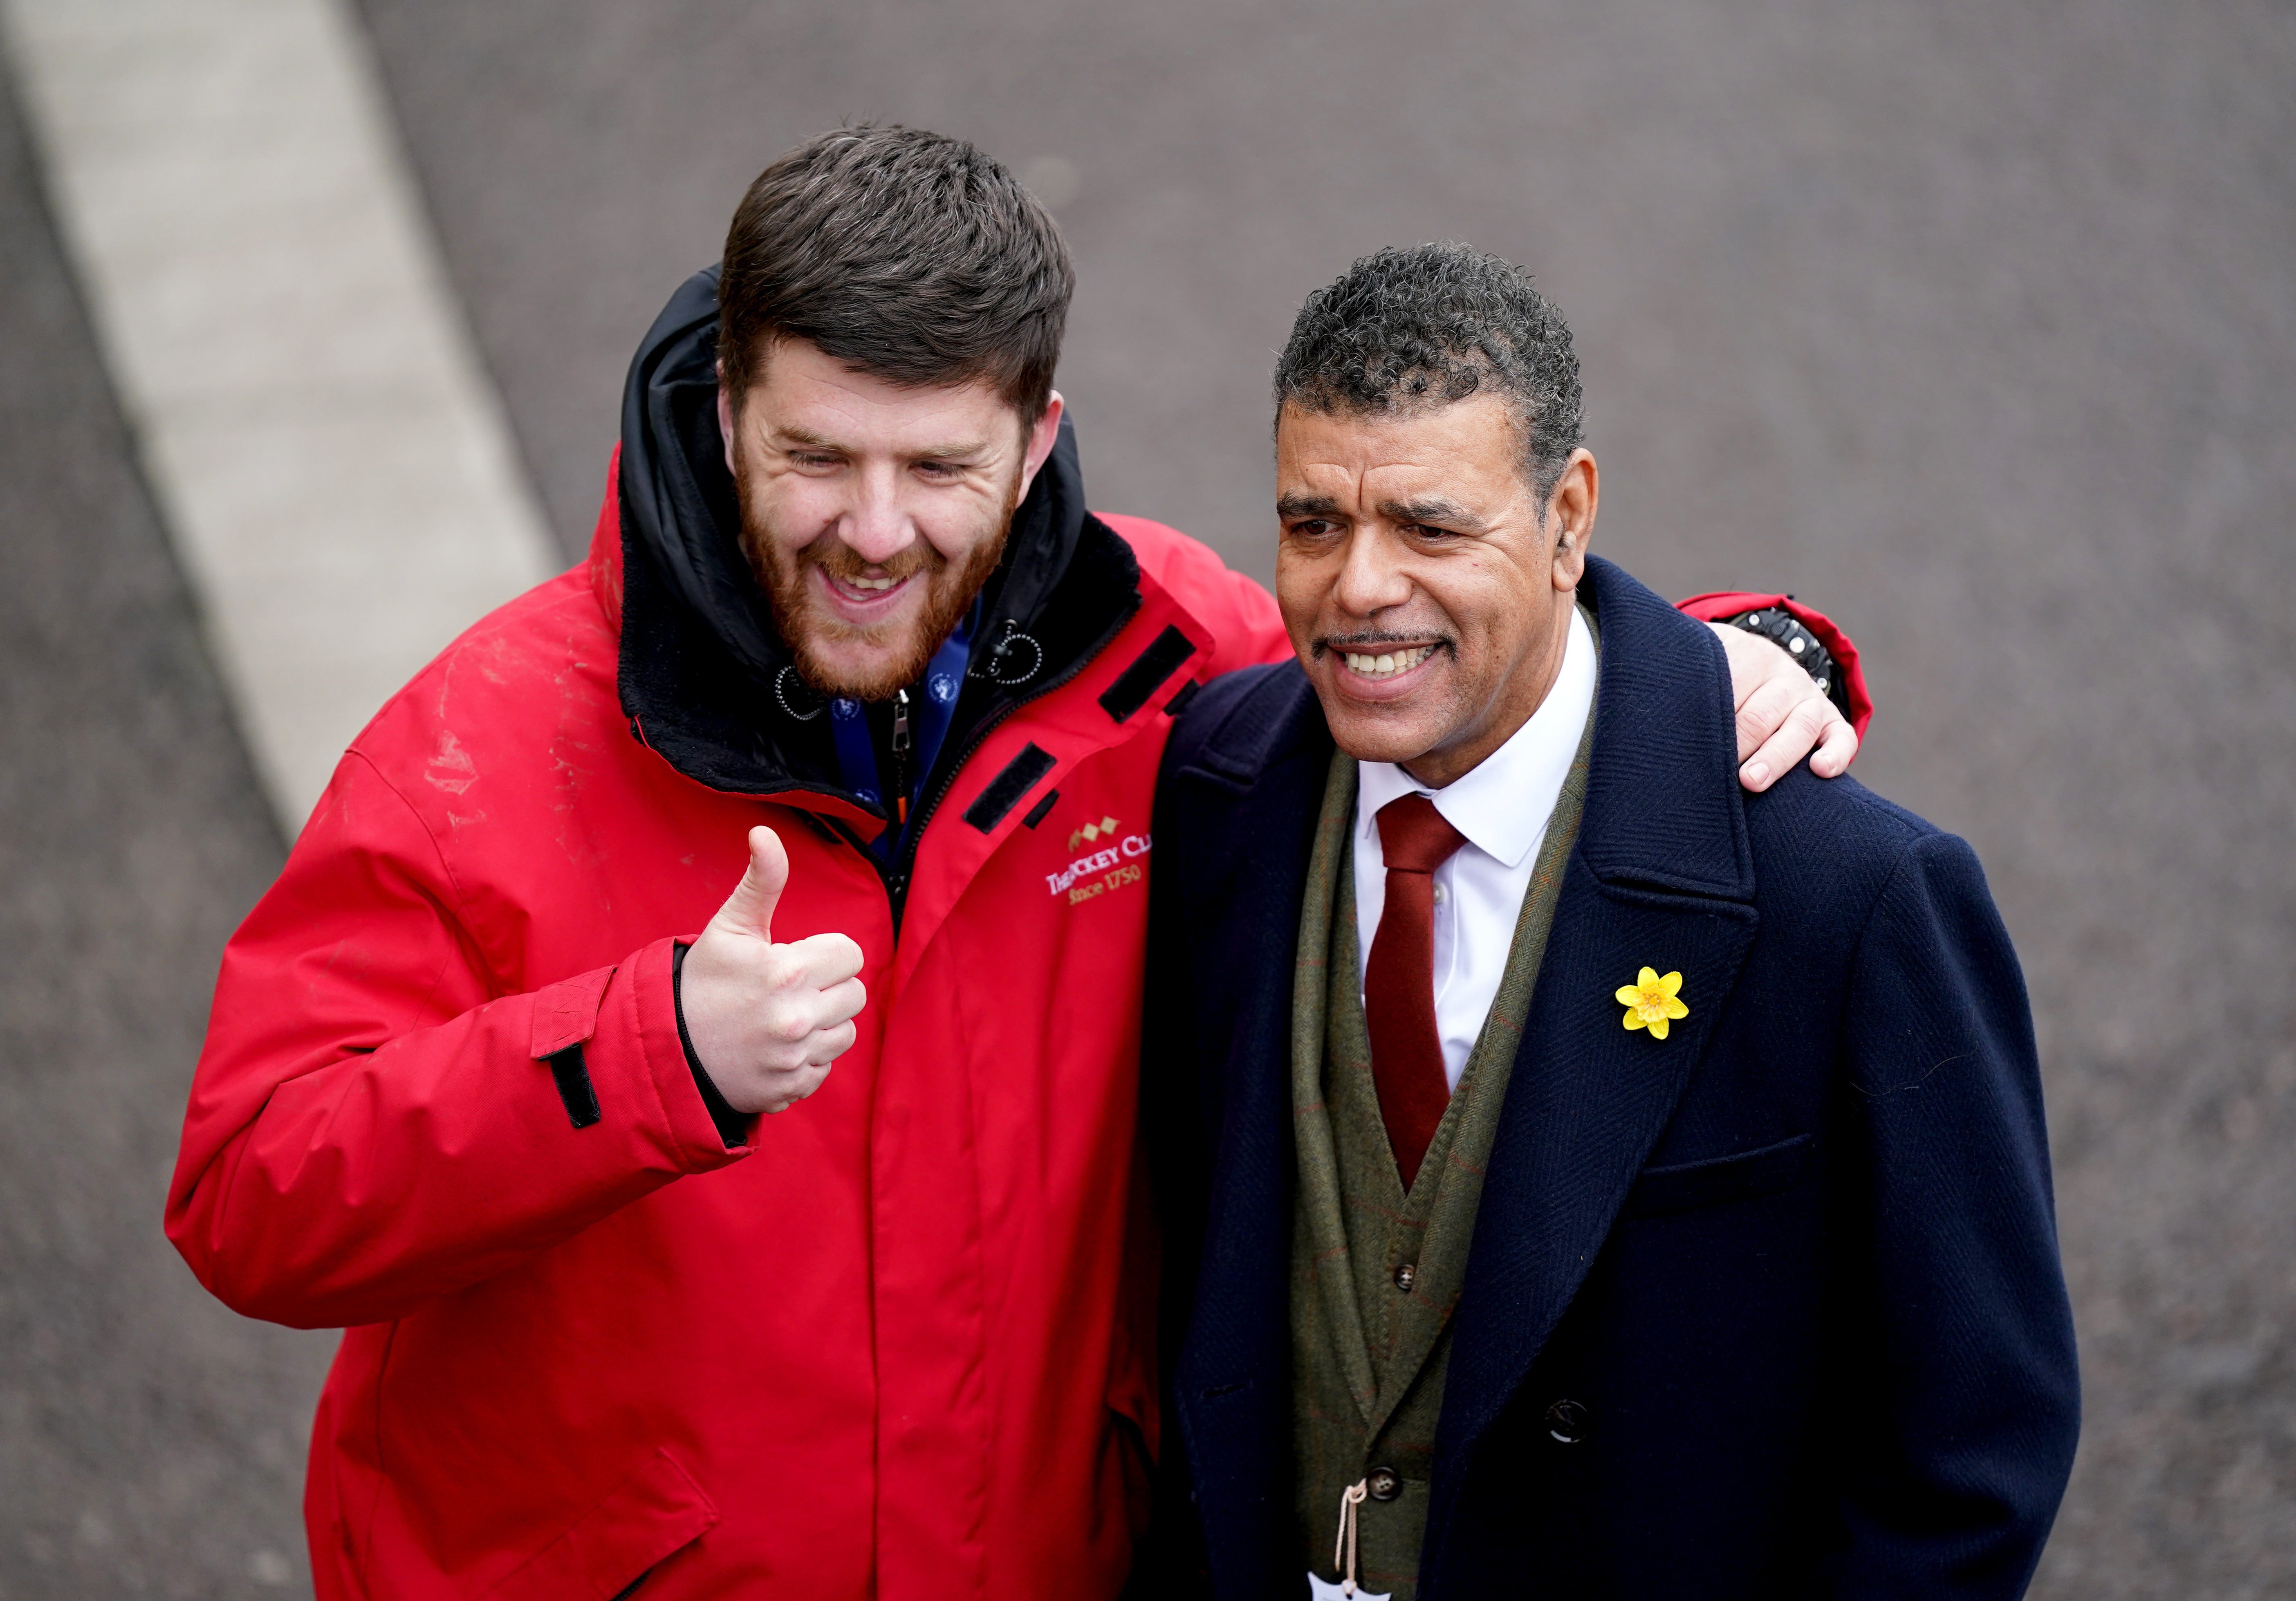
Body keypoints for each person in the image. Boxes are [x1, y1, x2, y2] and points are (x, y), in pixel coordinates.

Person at [166, 132, 1858, 1599]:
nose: (875, 531)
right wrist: (641, 1053)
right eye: (815, 456)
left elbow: (1430, 663)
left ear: (1036, 443)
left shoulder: (1168, 658)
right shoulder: (480, 749)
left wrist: (1719, 665)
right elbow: (248, 1195)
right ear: (727, 411)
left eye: (939, 469)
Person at [1138, 244, 2079, 1600]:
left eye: (1431, 526)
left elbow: (1977, 1446)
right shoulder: (1218, 792)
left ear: (1568, 514)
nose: (1357, 589)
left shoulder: (1849, 893)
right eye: (1312, 524)